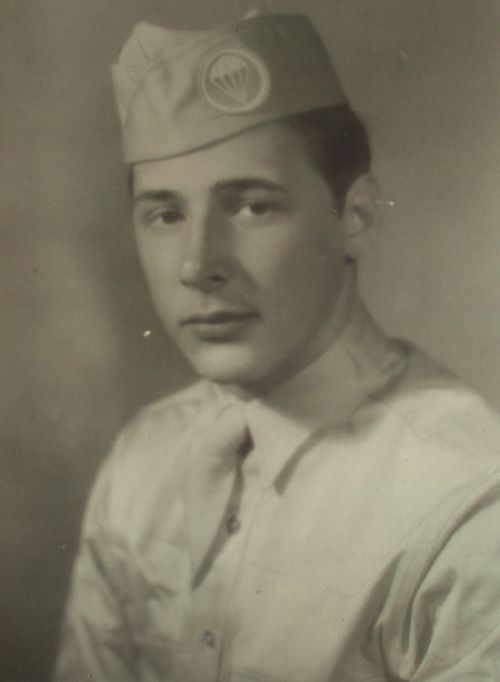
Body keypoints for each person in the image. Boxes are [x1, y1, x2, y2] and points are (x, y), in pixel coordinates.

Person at [54, 12, 500, 682]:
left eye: (252, 206)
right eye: (166, 215)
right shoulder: (142, 461)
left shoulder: (467, 500)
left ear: (356, 218)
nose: (197, 264)